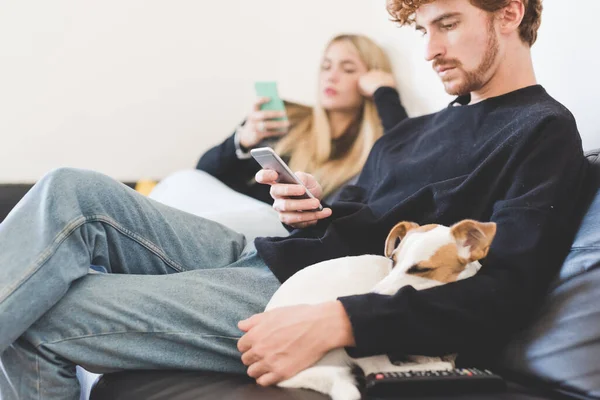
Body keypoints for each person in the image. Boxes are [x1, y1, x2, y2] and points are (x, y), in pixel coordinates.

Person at [0, 1, 590, 399]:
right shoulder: (416, 131)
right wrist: (309, 204)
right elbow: (360, 213)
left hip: (310, 288)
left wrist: (339, 319)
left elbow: (507, 288)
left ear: (510, 12)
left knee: (45, 312)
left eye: (449, 23)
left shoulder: (542, 130)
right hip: (281, 250)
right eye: (423, 30)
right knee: (68, 188)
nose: (430, 48)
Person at [196, 34, 408, 204]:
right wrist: (241, 141)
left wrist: (385, 93)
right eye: (326, 66)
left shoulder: (372, 150)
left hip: (268, 231)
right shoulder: (287, 116)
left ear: (368, 80)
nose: (331, 76)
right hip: (222, 209)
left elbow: (405, 160)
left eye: (348, 69)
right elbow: (202, 174)